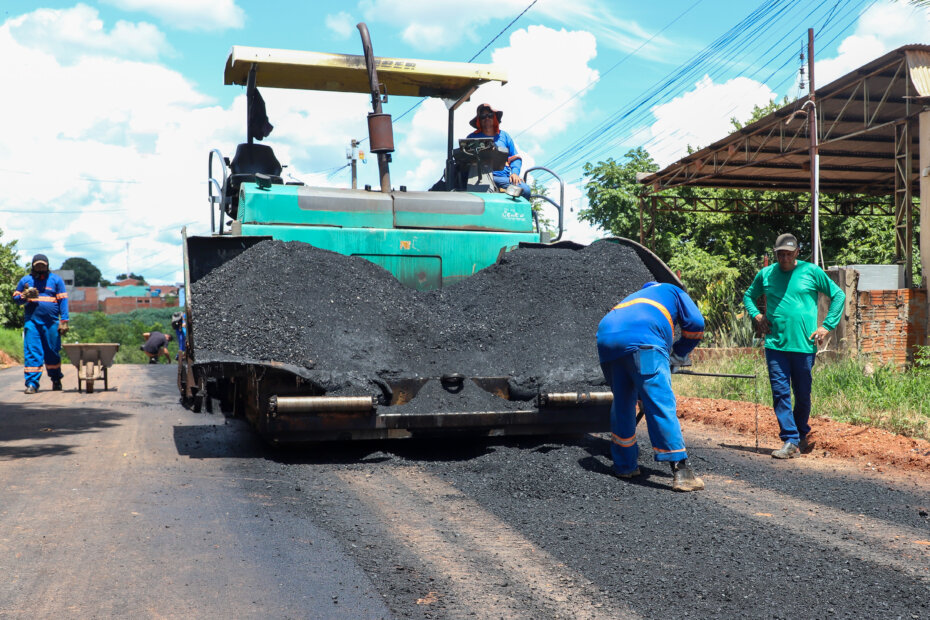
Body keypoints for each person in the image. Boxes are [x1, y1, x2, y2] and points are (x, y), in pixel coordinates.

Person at [743, 233, 845, 459]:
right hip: (775, 345)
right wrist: (758, 316)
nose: (785, 258)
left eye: (789, 254)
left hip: (803, 345)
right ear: (776, 253)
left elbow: (838, 295)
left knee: (802, 394)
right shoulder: (766, 274)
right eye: (781, 254)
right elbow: (749, 296)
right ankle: (790, 439)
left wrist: (826, 326)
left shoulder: (811, 271)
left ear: (797, 252)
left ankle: (800, 434)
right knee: (780, 393)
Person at [596, 281, 705, 492]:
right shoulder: (673, 290)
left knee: (622, 402)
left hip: (607, 338)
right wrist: (678, 354)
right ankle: (682, 472)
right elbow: (696, 324)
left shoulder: (633, 298)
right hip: (644, 341)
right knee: (660, 402)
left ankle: (625, 465)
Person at [13, 254, 69, 394]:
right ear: (33, 266)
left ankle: (56, 379)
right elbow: (16, 298)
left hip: (51, 323)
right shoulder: (26, 280)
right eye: (37, 265)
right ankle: (32, 384)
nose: (40, 267)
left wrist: (64, 321)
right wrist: (23, 296)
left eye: (42, 265)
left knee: (52, 352)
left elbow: (63, 301)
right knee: (32, 352)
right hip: (32, 322)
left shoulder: (56, 280)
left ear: (47, 265)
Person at [465, 103, 531, 198]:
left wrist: (515, 173)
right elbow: (464, 158)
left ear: (495, 118)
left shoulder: (504, 136)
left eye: (490, 115)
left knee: (525, 190)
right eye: (483, 116)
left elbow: (515, 158)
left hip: (500, 178)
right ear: (479, 120)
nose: (487, 118)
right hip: (478, 178)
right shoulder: (472, 137)